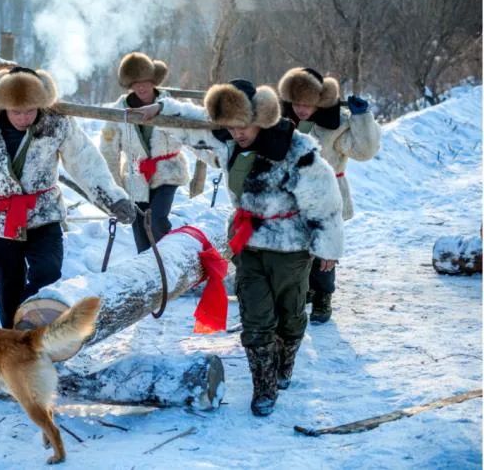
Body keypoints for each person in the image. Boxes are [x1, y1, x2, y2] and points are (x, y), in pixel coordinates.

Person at [132, 79, 344, 416]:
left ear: (260, 116)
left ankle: (284, 362)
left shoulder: (296, 149)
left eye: (242, 125)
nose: (237, 133)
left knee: (289, 315)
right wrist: (160, 110)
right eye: (229, 126)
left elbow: (325, 200)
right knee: (256, 317)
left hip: (291, 245)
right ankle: (264, 386)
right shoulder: (227, 140)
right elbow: (190, 127)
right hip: (248, 243)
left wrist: (328, 248)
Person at [0, 66, 135, 328]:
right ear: (3, 106)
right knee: (8, 283)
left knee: (49, 272)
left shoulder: (56, 122)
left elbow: (85, 162)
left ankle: (38, 332)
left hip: (42, 214)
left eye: (30, 110)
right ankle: (12, 338)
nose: (24, 118)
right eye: (17, 112)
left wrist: (113, 199)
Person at [278, 67, 381, 323]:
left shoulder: (336, 126)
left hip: (327, 193)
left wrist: (362, 118)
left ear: (320, 102)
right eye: (297, 103)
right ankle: (304, 290)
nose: (302, 109)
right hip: (292, 195)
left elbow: (364, 150)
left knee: (324, 248)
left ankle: (324, 294)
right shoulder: (282, 122)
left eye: (308, 104)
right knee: (300, 248)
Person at [99, 52, 189, 253]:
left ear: (153, 80)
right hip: (135, 174)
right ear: (129, 85)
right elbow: (108, 149)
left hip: (168, 170)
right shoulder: (119, 109)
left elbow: (192, 132)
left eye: (146, 81)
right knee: (139, 225)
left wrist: (215, 155)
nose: (141, 87)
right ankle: (148, 269)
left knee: (156, 219)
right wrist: (115, 185)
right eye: (135, 83)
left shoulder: (169, 104)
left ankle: (169, 259)